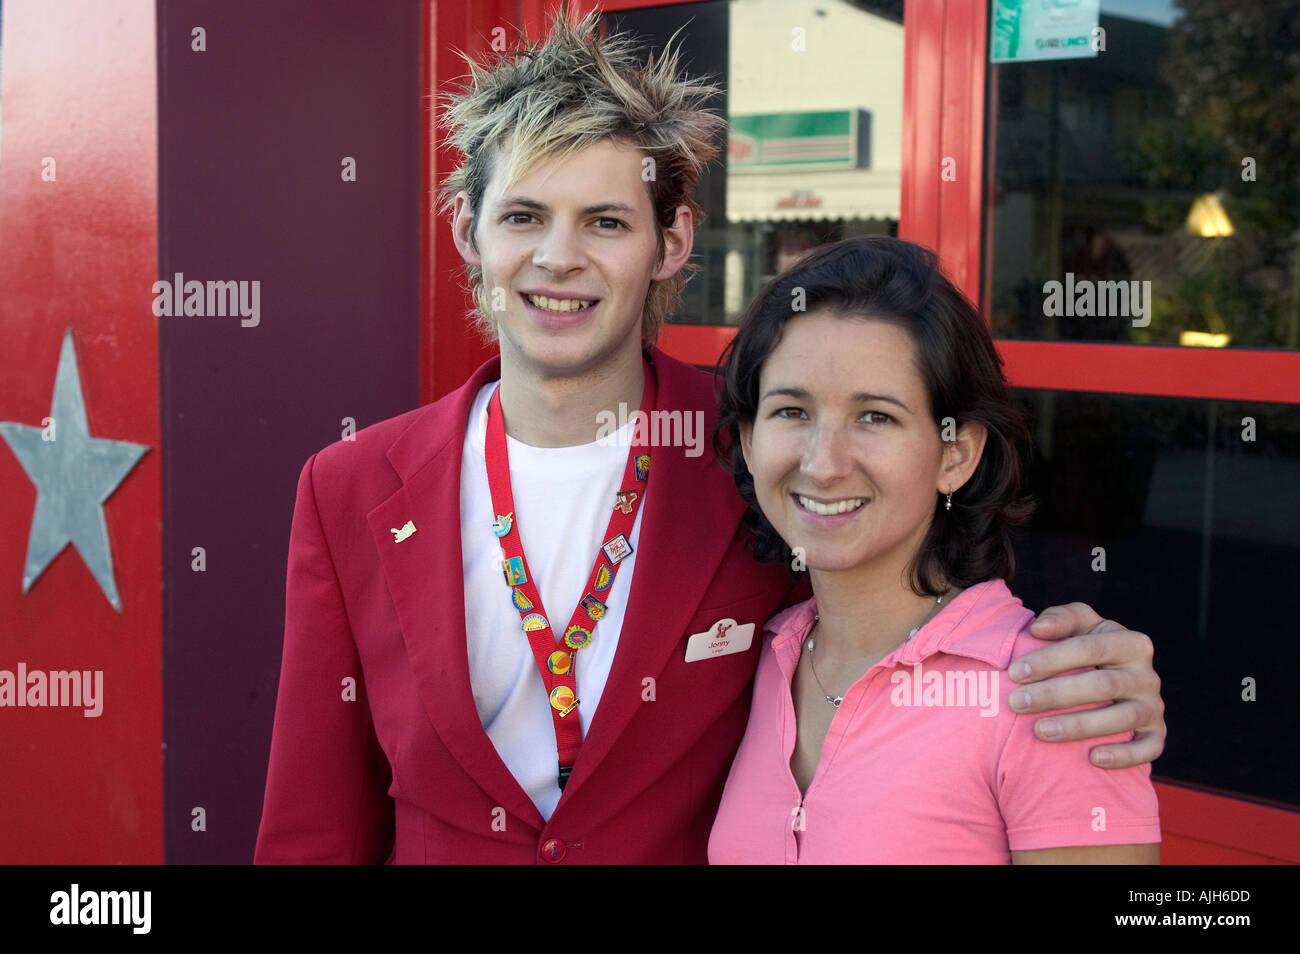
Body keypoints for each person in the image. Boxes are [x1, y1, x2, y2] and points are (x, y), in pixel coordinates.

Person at [254, 4, 1166, 865]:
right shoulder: (351, 485)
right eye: (524, 216)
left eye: (605, 221)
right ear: (468, 231)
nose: (558, 257)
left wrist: (1089, 670)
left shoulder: (760, 456)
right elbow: (314, 826)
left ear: (674, 241)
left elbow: (915, 596)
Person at [708, 237, 1161, 863]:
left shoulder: (1050, 694)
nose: (823, 463)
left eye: (876, 417)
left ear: (957, 453)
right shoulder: (758, 658)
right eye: (792, 411)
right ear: (751, 441)